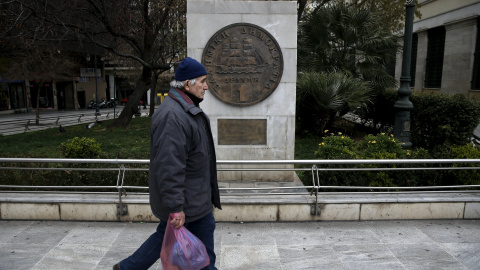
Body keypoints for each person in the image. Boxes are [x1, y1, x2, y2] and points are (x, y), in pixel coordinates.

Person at [114, 57, 222, 270]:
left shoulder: (186, 109)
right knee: (205, 258)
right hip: (188, 204)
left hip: (194, 200)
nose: (206, 86)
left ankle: (126, 268)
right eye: (202, 81)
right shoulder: (173, 116)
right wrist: (176, 208)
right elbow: (169, 166)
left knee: (166, 238)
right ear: (188, 84)